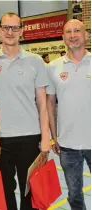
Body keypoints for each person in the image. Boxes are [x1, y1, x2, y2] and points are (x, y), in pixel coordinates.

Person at [0, 12, 51, 210]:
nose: (10, 32)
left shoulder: (36, 61)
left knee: (29, 191)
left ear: (22, 31)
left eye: (14, 28)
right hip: (0, 139)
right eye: (6, 27)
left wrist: (45, 137)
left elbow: (42, 104)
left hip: (30, 137)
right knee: (4, 192)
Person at [47, 19, 91, 210]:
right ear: (63, 37)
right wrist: (53, 136)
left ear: (86, 35)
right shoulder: (54, 67)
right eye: (68, 32)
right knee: (74, 195)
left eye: (77, 31)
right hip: (68, 145)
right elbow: (49, 103)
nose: (73, 35)